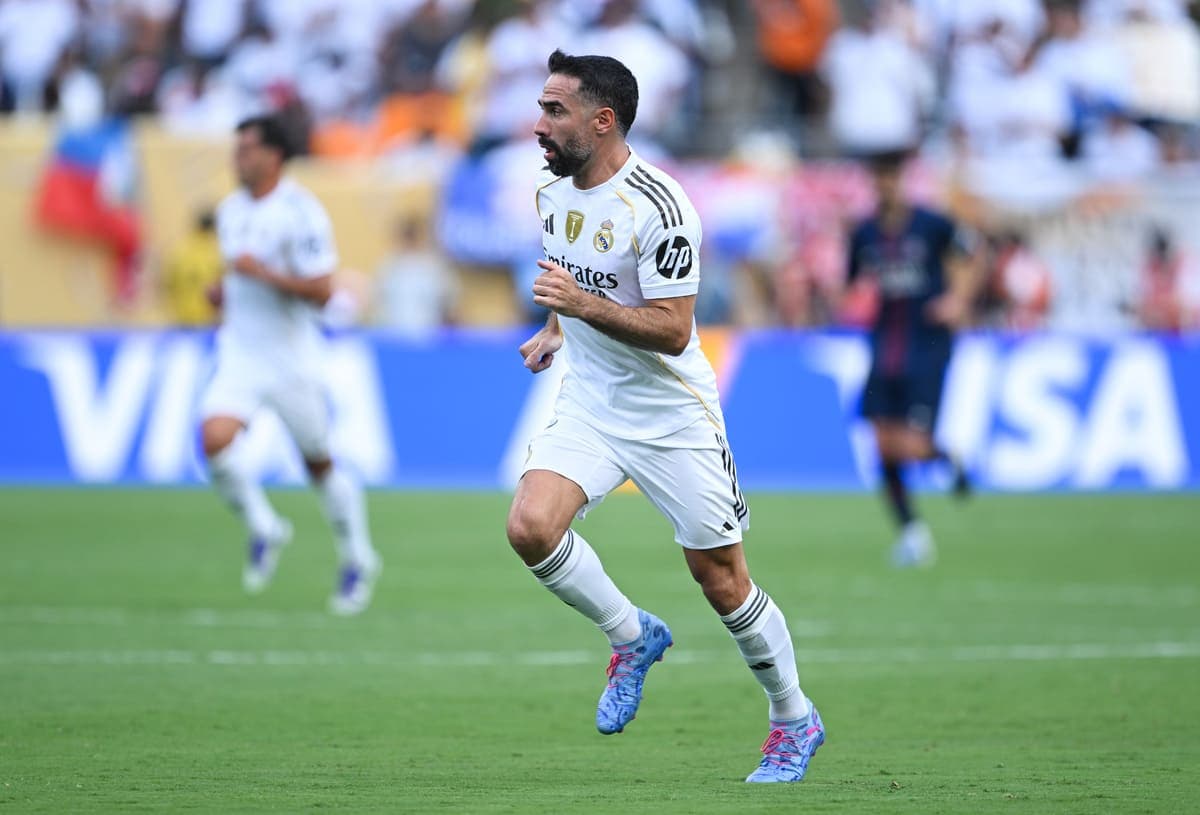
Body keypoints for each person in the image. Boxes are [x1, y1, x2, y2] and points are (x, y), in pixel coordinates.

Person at [505, 50, 824, 784]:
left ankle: (793, 716)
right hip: (592, 399)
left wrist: (579, 306)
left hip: (671, 413)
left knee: (721, 578)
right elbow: (572, 280)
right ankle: (631, 635)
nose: (539, 125)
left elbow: (675, 329)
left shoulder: (660, 206)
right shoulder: (551, 192)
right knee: (530, 527)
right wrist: (556, 329)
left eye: (554, 110)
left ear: (602, 120)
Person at [199, 115, 381, 615]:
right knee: (213, 439)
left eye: (247, 149)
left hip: (291, 359)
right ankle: (265, 526)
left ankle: (358, 557)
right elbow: (237, 276)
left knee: (318, 463)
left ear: (274, 156)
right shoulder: (231, 209)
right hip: (240, 353)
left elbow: (322, 290)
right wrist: (224, 291)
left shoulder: (301, 213)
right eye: (236, 148)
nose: (238, 158)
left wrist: (263, 274)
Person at [844, 150, 979, 567]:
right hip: (884, 345)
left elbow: (973, 254)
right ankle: (911, 533)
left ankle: (943, 457)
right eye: (878, 178)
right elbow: (851, 285)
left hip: (927, 345)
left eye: (891, 177)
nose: (885, 186)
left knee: (908, 443)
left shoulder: (932, 224)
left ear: (901, 182)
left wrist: (958, 299)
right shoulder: (864, 232)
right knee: (881, 445)